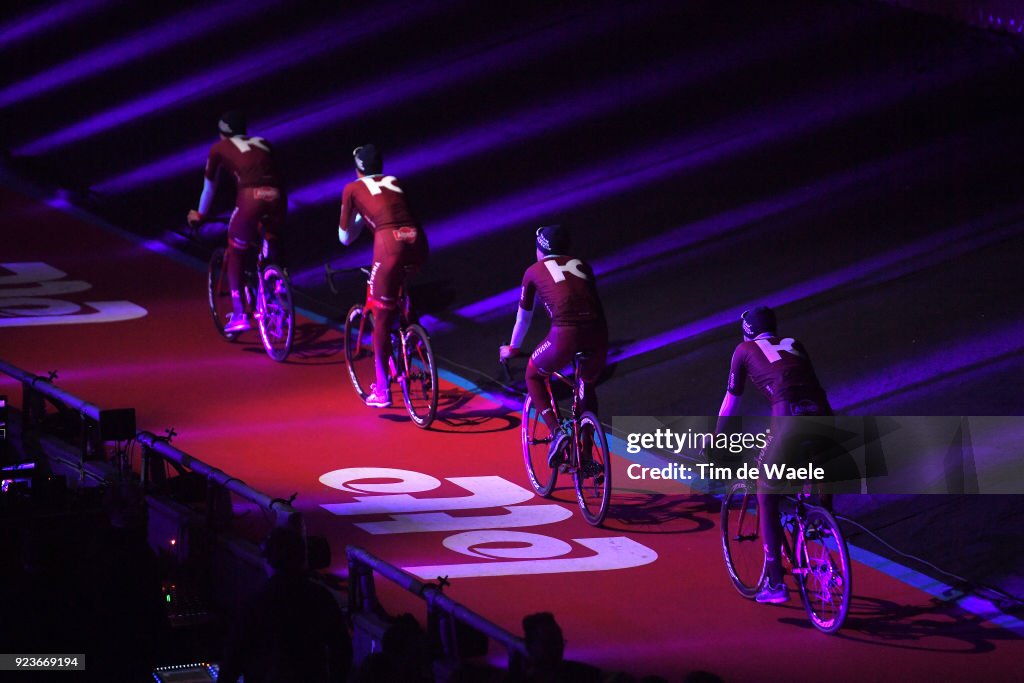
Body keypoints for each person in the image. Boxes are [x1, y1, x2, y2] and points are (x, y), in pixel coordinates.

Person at [716, 305, 832, 604]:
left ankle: (775, 582)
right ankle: (825, 518)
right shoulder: (794, 343)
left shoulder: (743, 349)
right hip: (822, 415)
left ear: (747, 330)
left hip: (787, 417)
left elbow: (731, 403)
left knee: (766, 491)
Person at [499, 225, 608, 467]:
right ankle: (587, 454)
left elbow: (523, 318)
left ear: (540, 249)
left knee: (533, 375)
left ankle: (557, 432)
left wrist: (512, 349)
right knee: (586, 385)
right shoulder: (582, 265)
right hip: (599, 333)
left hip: (565, 334)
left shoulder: (534, 270)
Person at [338, 144, 428, 408]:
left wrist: (360, 220)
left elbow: (344, 238)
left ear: (357, 169)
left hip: (389, 246)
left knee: (381, 312)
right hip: (417, 240)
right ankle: (411, 334)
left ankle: (382, 390)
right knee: (399, 287)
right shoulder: (394, 181)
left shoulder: (352, 188)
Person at [188, 110, 287, 333]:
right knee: (270, 240)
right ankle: (277, 283)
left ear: (222, 134)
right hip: (277, 196)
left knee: (235, 249)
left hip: (250, 198)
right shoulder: (263, 142)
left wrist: (200, 215)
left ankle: (240, 313)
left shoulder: (218, 148)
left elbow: (209, 188)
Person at [218, 526, 352, 683]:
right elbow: (342, 650)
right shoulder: (321, 597)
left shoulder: (256, 602)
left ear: (269, 561)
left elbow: (234, 657)